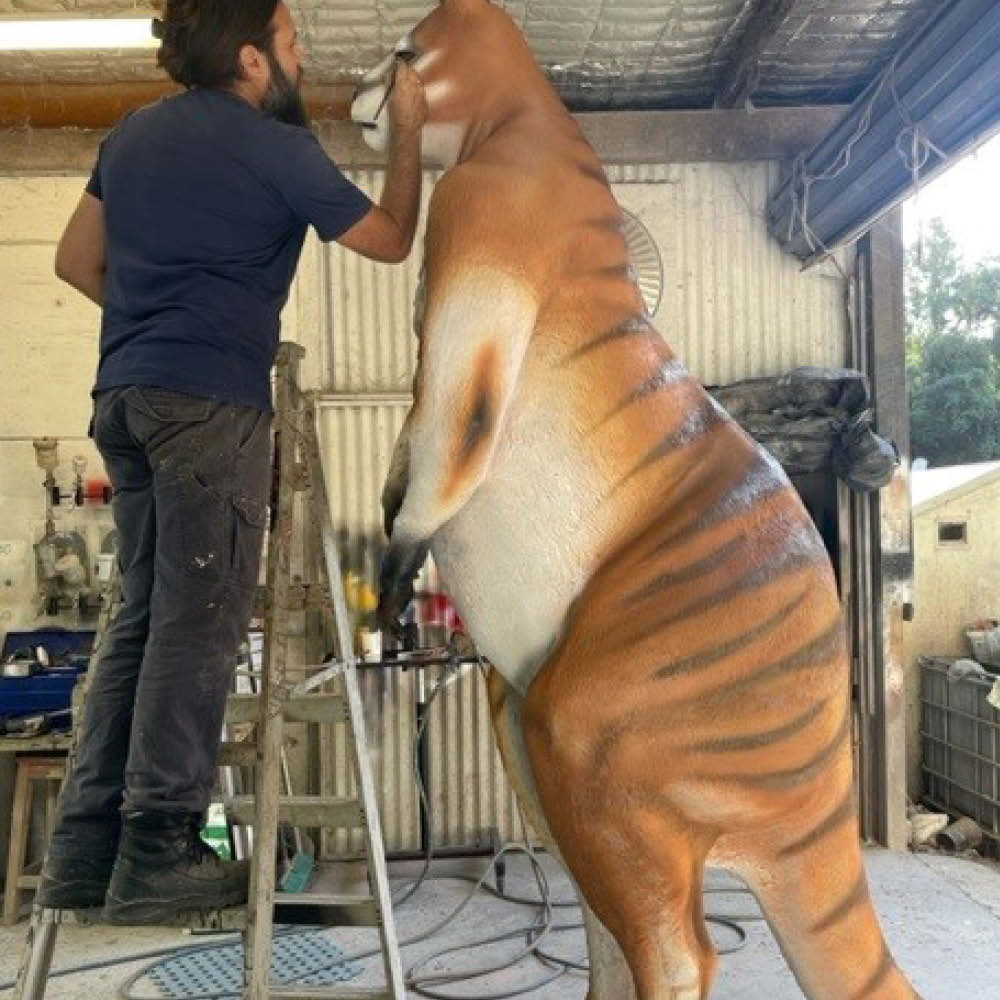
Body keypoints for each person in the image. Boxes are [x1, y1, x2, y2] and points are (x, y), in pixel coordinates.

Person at [37, 0, 426, 924]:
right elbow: (392, 239)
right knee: (200, 624)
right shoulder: (273, 147)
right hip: (208, 403)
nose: (302, 58)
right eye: (292, 43)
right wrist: (406, 134)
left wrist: (156, 324)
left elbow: (73, 260)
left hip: (123, 397)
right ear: (251, 58)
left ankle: (86, 853)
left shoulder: (130, 136)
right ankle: (160, 851)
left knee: (139, 619)